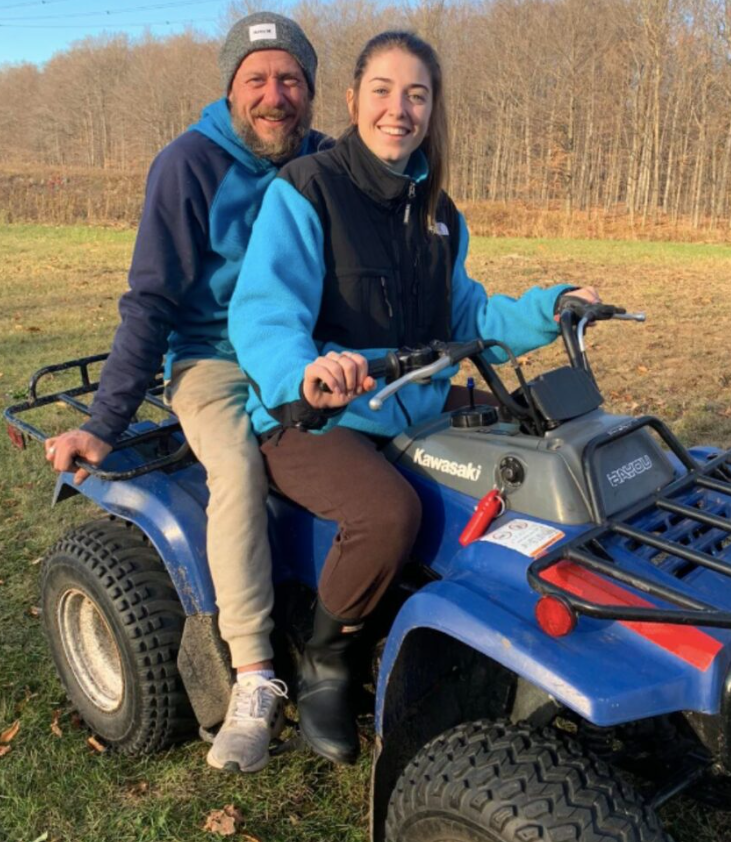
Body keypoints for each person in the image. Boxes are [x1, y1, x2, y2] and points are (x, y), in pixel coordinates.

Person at [230, 31, 599, 765]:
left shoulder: (437, 211)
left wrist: (552, 303)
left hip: (415, 401)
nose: (399, 109)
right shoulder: (306, 189)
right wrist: (303, 375)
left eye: (417, 95)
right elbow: (265, 314)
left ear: (432, 111)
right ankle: (326, 659)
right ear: (354, 99)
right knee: (386, 511)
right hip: (314, 416)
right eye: (383, 91)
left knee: (534, 440)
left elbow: (470, 320)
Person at [43, 12, 331, 774]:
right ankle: (253, 675)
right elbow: (152, 303)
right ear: (232, 88)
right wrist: (105, 424)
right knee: (235, 471)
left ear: (310, 90)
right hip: (216, 359)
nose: (276, 96)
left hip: (309, 351)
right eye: (259, 80)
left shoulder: (328, 161)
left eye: (291, 79)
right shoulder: (189, 165)